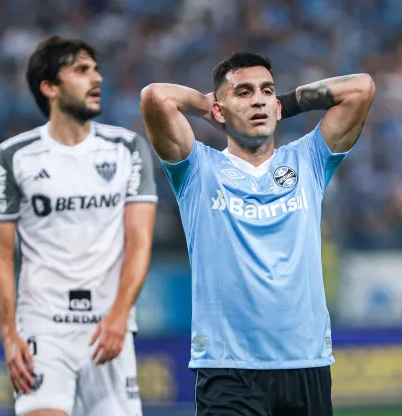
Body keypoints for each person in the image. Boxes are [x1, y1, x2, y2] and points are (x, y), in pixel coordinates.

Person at [140, 52, 375, 416]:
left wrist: (285, 103)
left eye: (266, 91)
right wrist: (207, 106)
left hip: (305, 363)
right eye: (244, 93)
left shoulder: (308, 160)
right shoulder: (198, 169)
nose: (259, 100)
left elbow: (361, 88)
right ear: (220, 110)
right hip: (228, 368)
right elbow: (156, 97)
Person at [0, 35, 157, 416]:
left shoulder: (127, 148)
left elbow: (139, 241)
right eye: (81, 70)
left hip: (108, 329)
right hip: (43, 328)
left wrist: (119, 315)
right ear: (49, 87)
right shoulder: (14, 156)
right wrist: (10, 336)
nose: (97, 78)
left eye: (95, 69)